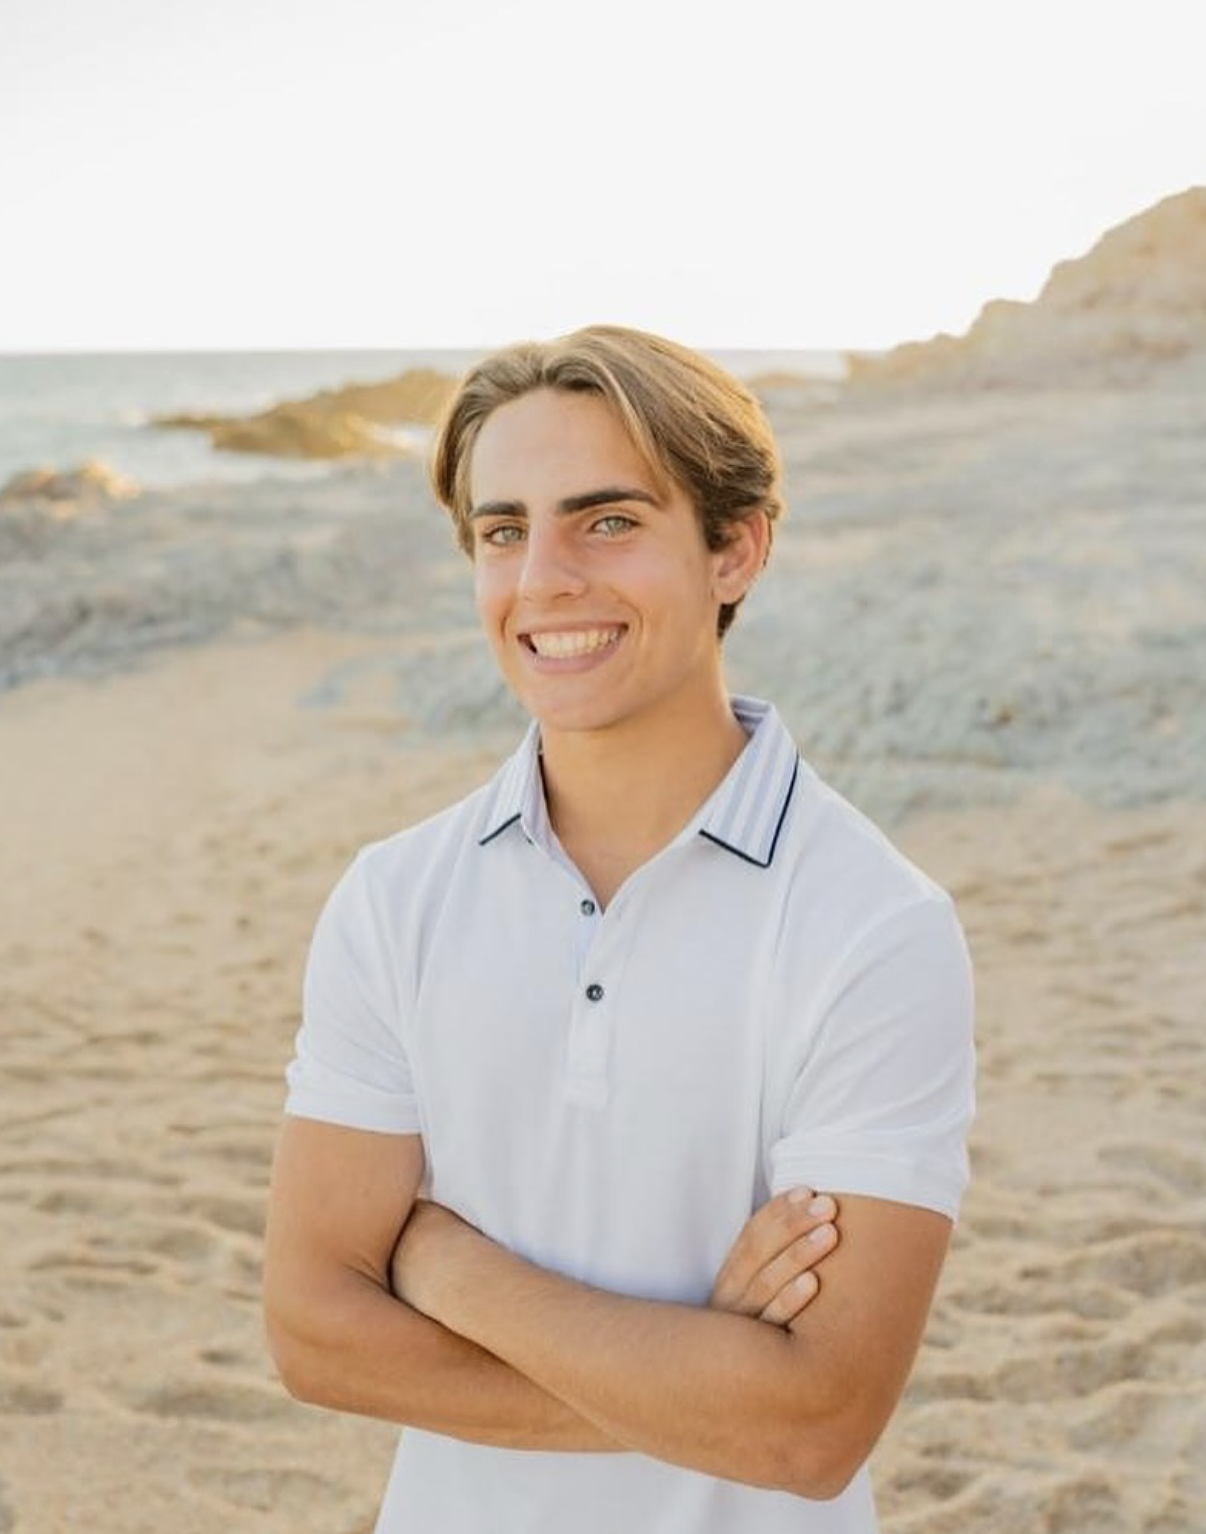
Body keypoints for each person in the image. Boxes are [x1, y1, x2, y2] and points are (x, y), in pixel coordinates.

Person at [262, 324, 976, 1533]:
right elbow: (313, 1334)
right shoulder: (394, 899)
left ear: (735, 548)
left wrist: (443, 1265)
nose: (543, 579)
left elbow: (813, 1428)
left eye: (607, 521)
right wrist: (709, 1379)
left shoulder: (874, 925)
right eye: (503, 531)